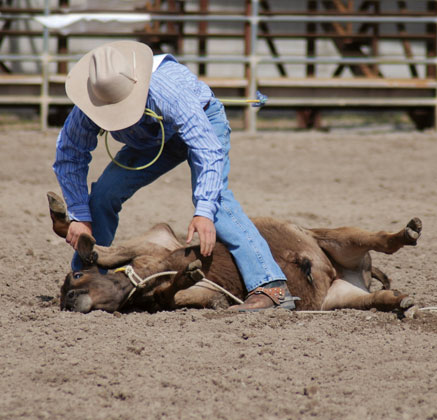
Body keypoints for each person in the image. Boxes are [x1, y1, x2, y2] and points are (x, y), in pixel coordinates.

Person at [53, 40, 295, 311]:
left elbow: (207, 148)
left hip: (205, 123)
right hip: (150, 139)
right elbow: (69, 156)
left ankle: (271, 287)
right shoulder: (89, 105)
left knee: (218, 207)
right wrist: (79, 216)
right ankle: (85, 279)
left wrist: (203, 210)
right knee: (101, 197)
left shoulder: (168, 91)